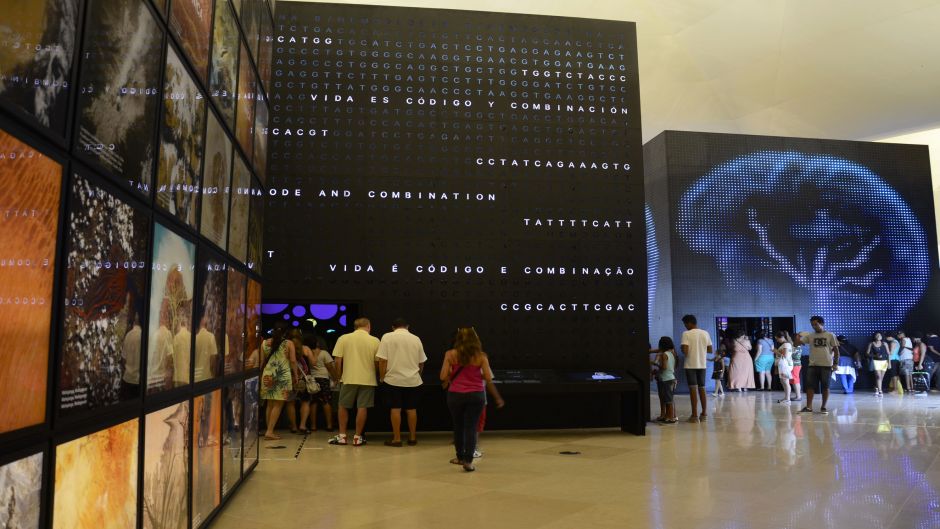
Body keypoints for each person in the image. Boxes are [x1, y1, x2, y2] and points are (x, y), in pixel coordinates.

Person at [440, 327, 504, 472]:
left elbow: (443, 377)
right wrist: (474, 375)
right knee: (471, 427)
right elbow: (488, 377)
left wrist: (453, 372)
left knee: (458, 426)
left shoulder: (450, 354)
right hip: (476, 395)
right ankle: (468, 462)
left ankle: (459, 457)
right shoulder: (481, 356)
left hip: (455, 394)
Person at [328, 318, 380, 446]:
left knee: (343, 406)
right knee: (362, 407)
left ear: (355, 326)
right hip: (368, 379)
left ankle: (342, 436)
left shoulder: (344, 338)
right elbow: (377, 362)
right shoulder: (375, 340)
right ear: (368, 326)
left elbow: (337, 361)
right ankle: (357, 437)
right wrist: (378, 375)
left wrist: (337, 377)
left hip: (349, 378)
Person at [377, 318, 428, 446]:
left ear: (393, 327)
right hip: (413, 380)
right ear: (407, 326)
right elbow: (421, 362)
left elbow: (382, 360)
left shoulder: (387, 337)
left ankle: (397, 438)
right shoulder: (415, 338)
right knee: (411, 409)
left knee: (395, 409)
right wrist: (418, 375)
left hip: (393, 379)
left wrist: (382, 377)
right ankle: (412, 437)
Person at [261, 322, 300, 440]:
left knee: (269, 404)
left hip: (268, 375)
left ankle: (269, 430)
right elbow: (293, 361)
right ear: (285, 332)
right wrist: (296, 375)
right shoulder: (288, 343)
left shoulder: (265, 343)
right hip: (282, 376)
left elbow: (262, 361)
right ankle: (270, 431)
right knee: (278, 404)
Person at [795, 316, 839, 415]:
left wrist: (835, 363)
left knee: (825, 386)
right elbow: (796, 344)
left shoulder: (830, 335)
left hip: (826, 365)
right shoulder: (810, 336)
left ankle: (823, 407)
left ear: (822, 324)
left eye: (816, 324)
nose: (814, 326)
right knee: (809, 386)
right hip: (813, 365)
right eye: (812, 325)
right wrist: (798, 336)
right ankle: (808, 407)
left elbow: (836, 351)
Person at [680, 314, 713, 422]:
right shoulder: (705, 333)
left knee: (693, 389)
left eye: (685, 323)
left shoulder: (686, 334)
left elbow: (685, 351)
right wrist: (700, 349)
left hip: (690, 365)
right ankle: (704, 414)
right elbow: (710, 350)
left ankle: (694, 416)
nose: (685, 326)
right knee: (702, 388)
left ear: (689, 323)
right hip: (702, 365)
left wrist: (682, 348)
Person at [302, 335, 337, 431]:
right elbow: (330, 366)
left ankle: (313, 426)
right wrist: (336, 378)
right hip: (323, 378)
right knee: (326, 401)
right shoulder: (324, 353)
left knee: (313, 403)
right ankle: (329, 425)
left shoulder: (306, 352)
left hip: (312, 379)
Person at [651, 337, 678, 423]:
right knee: (669, 398)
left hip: (666, 379)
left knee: (668, 399)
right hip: (671, 377)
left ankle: (670, 417)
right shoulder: (672, 353)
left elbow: (664, 367)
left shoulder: (664, 354)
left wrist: (655, 364)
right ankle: (669, 416)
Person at [774, 331, 798, 403]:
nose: (777, 340)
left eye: (777, 338)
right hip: (783, 365)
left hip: (785, 365)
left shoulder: (786, 345)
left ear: (782, 337)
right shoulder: (786, 344)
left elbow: (785, 356)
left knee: (785, 382)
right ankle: (786, 398)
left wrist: (775, 351)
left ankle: (787, 398)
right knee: (783, 382)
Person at [866, 333, 889, 397]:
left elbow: (888, 353)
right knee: (878, 376)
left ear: (882, 336)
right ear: (874, 337)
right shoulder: (871, 343)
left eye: (880, 335)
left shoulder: (885, 343)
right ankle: (880, 391)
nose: (879, 336)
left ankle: (876, 388)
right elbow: (867, 353)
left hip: (884, 362)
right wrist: (875, 355)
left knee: (881, 377)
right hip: (876, 361)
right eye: (877, 335)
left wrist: (889, 362)